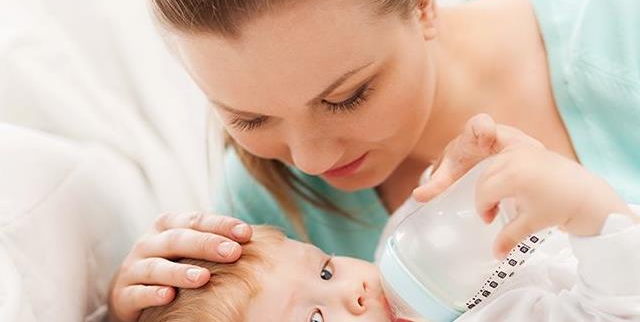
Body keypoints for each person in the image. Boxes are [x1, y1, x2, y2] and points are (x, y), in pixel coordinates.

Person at [108, 0, 640, 320]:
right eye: (249, 118)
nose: (312, 161)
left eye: (346, 96)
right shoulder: (266, 208)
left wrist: (594, 213)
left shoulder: (622, 32)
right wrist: (122, 311)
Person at [136, 141, 640, 322]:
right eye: (314, 320)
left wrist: (468, 177)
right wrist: (588, 210)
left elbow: (450, 208)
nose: (354, 294)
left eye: (327, 269)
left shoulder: (399, 250)